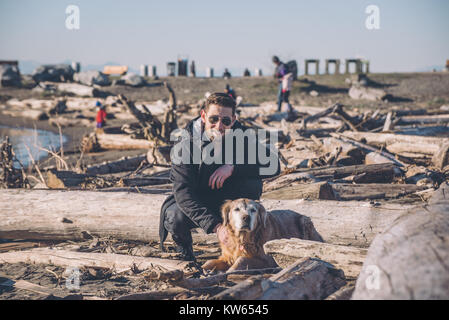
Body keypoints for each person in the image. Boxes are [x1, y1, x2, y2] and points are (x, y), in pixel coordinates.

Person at [159, 93, 280, 261]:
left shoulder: (242, 134)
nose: (219, 126)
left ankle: (245, 247)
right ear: (203, 116)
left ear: (233, 119)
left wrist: (233, 167)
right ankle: (185, 253)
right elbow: (183, 193)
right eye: (213, 119)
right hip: (200, 198)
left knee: (250, 179)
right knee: (174, 216)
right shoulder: (185, 144)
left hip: (232, 201)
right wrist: (216, 227)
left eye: (225, 121)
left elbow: (273, 164)